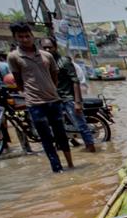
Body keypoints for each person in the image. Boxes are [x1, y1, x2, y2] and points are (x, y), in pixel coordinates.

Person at [7, 23, 73, 173]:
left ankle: (70, 164)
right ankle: (57, 168)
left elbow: (54, 76)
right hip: (35, 103)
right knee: (46, 138)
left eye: (27, 36)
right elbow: (18, 81)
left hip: (53, 100)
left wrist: (51, 90)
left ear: (32, 36)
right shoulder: (14, 57)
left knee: (61, 134)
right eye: (21, 37)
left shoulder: (46, 55)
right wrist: (29, 93)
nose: (25, 39)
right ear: (16, 38)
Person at [41, 38, 96, 152]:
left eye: (49, 47)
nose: (47, 49)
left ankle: (91, 148)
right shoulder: (44, 63)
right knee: (57, 127)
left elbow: (75, 81)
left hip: (68, 98)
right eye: (44, 48)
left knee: (80, 125)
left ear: (55, 47)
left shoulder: (64, 61)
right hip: (54, 99)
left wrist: (77, 102)